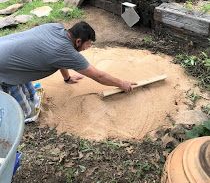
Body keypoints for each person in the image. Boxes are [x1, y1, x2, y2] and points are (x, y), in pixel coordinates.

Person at [0, 21, 136, 120]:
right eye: (88, 44)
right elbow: (99, 76)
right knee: (25, 113)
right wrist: (121, 83)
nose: (88, 47)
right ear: (78, 42)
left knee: (31, 94)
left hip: (9, 54)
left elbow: (59, 58)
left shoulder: (56, 27)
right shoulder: (67, 52)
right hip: (3, 68)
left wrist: (67, 78)